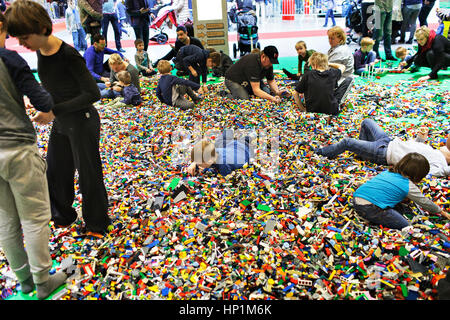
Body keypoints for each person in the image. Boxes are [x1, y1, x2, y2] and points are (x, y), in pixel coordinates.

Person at [6, 0, 111, 236]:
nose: (22, 43)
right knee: (55, 170)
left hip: (82, 121)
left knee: (88, 175)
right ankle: (63, 215)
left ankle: (97, 224)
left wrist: (53, 111)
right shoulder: (42, 50)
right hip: (64, 121)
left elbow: (92, 93)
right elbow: (56, 85)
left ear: (42, 29)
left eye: (24, 37)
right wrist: (38, 99)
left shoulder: (68, 54)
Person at [0, 11, 67, 300]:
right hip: (17, 147)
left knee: (5, 221)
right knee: (35, 218)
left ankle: (23, 279)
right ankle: (42, 281)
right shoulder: (9, 60)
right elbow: (42, 99)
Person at [315, 118, 450, 177]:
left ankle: (320, 152)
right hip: (388, 141)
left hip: (383, 153)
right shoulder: (434, 152)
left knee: (347, 142)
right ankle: (363, 152)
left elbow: (418, 168)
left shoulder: (440, 165)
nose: (444, 144)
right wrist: (421, 138)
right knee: (366, 122)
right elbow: (414, 149)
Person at [352, 152, 450, 230]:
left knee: (400, 206)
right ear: (417, 175)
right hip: (369, 208)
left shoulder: (388, 172)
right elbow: (424, 202)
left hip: (356, 199)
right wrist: (442, 212)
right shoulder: (408, 185)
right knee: (405, 225)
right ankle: (374, 219)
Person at [292, 52, 353, 116]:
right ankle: (337, 104)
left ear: (314, 65)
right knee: (349, 79)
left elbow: (295, 93)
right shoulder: (332, 72)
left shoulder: (308, 74)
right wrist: (329, 63)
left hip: (312, 110)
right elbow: (342, 66)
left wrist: (303, 109)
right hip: (331, 110)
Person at [186, 130, 253, 176]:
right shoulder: (214, 151)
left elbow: (223, 176)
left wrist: (206, 170)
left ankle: (249, 137)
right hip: (231, 146)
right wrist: (193, 163)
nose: (199, 166)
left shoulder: (223, 165)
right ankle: (229, 132)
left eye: (200, 164)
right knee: (218, 143)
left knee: (244, 141)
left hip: (245, 150)